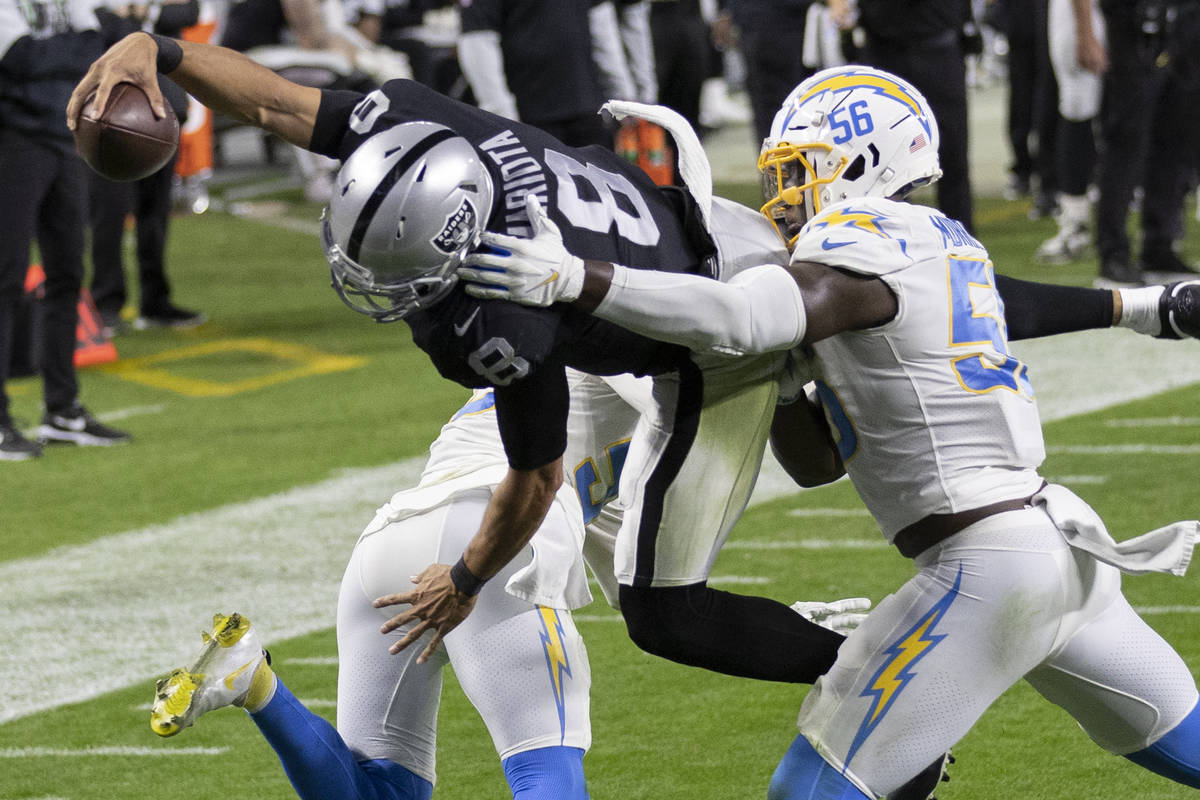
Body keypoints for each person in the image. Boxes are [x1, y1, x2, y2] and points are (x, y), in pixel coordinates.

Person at [455, 64, 1200, 798]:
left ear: (863, 159)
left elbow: (745, 317)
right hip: (1064, 549)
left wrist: (574, 276)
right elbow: (816, 463)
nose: (781, 197)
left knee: (808, 793)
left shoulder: (853, 234)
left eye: (797, 169)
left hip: (989, 567)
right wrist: (783, 391)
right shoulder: (943, 241)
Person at [146, 370, 869, 799]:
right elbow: (678, 385)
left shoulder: (536, 383)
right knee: (546, 774)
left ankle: (255, 683)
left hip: (388, 549)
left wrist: (758, 630)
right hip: (493, 540)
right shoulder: (611, 345)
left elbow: (645, 587)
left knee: (382, 793)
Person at [0, 0, 132, 461]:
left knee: (67, 276)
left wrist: (59, 52)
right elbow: (19, 57)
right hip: (11, 141)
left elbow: (102, 42)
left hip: (62, 136)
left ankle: (63, 411)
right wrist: (75, 50)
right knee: (6, 280)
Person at [88, 0, 206, 332]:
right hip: (108, 112)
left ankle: (155, 302)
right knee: (109, 214)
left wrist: (139, 13)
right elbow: (96, 26)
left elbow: (190, 11)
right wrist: (138, 16)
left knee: (155, 213)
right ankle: (106, 304)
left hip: (160, 108)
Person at [1093, 0, 1200, 286]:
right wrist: (1086, 34)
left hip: (1184, 22)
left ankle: (1159, 245)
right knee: (1126, 140)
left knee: (1177, 141)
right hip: (1134, 23)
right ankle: (1113, 252)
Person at [1035, 0, 1104, 264]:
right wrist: (1085, 33)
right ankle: (1074, 222)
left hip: (1125, 14)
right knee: (1078, 110)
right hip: (1081, 14)